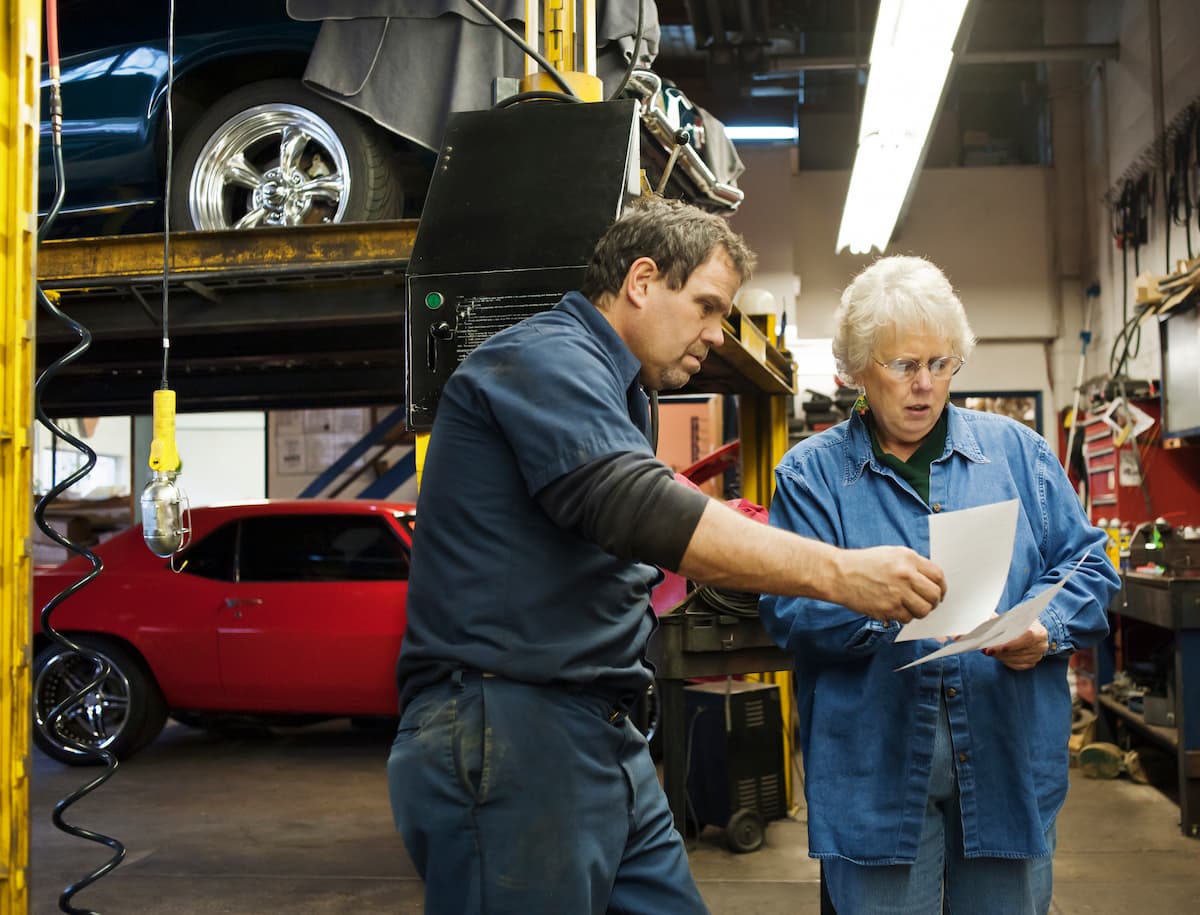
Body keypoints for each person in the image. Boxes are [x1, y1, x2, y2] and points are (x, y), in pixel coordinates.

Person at [387, 199, 947, 915]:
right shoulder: (542, 358)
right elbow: (634, 503)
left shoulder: (624, 392)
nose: (716, 335)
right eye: (708, 306)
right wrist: (843, 574)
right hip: (511, 726)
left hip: (600, 731)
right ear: (642, 280)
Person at [759, 255, 1121, 915]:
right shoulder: (811, 477)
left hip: (1007, 759)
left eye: (941, 363)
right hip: (874, 770)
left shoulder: (1020, 454)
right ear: (857, 370)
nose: (925, 384)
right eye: (902, 365)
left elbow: (1091, 565)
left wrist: (1045, 628)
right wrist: (872, 601)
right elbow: (787, 610)